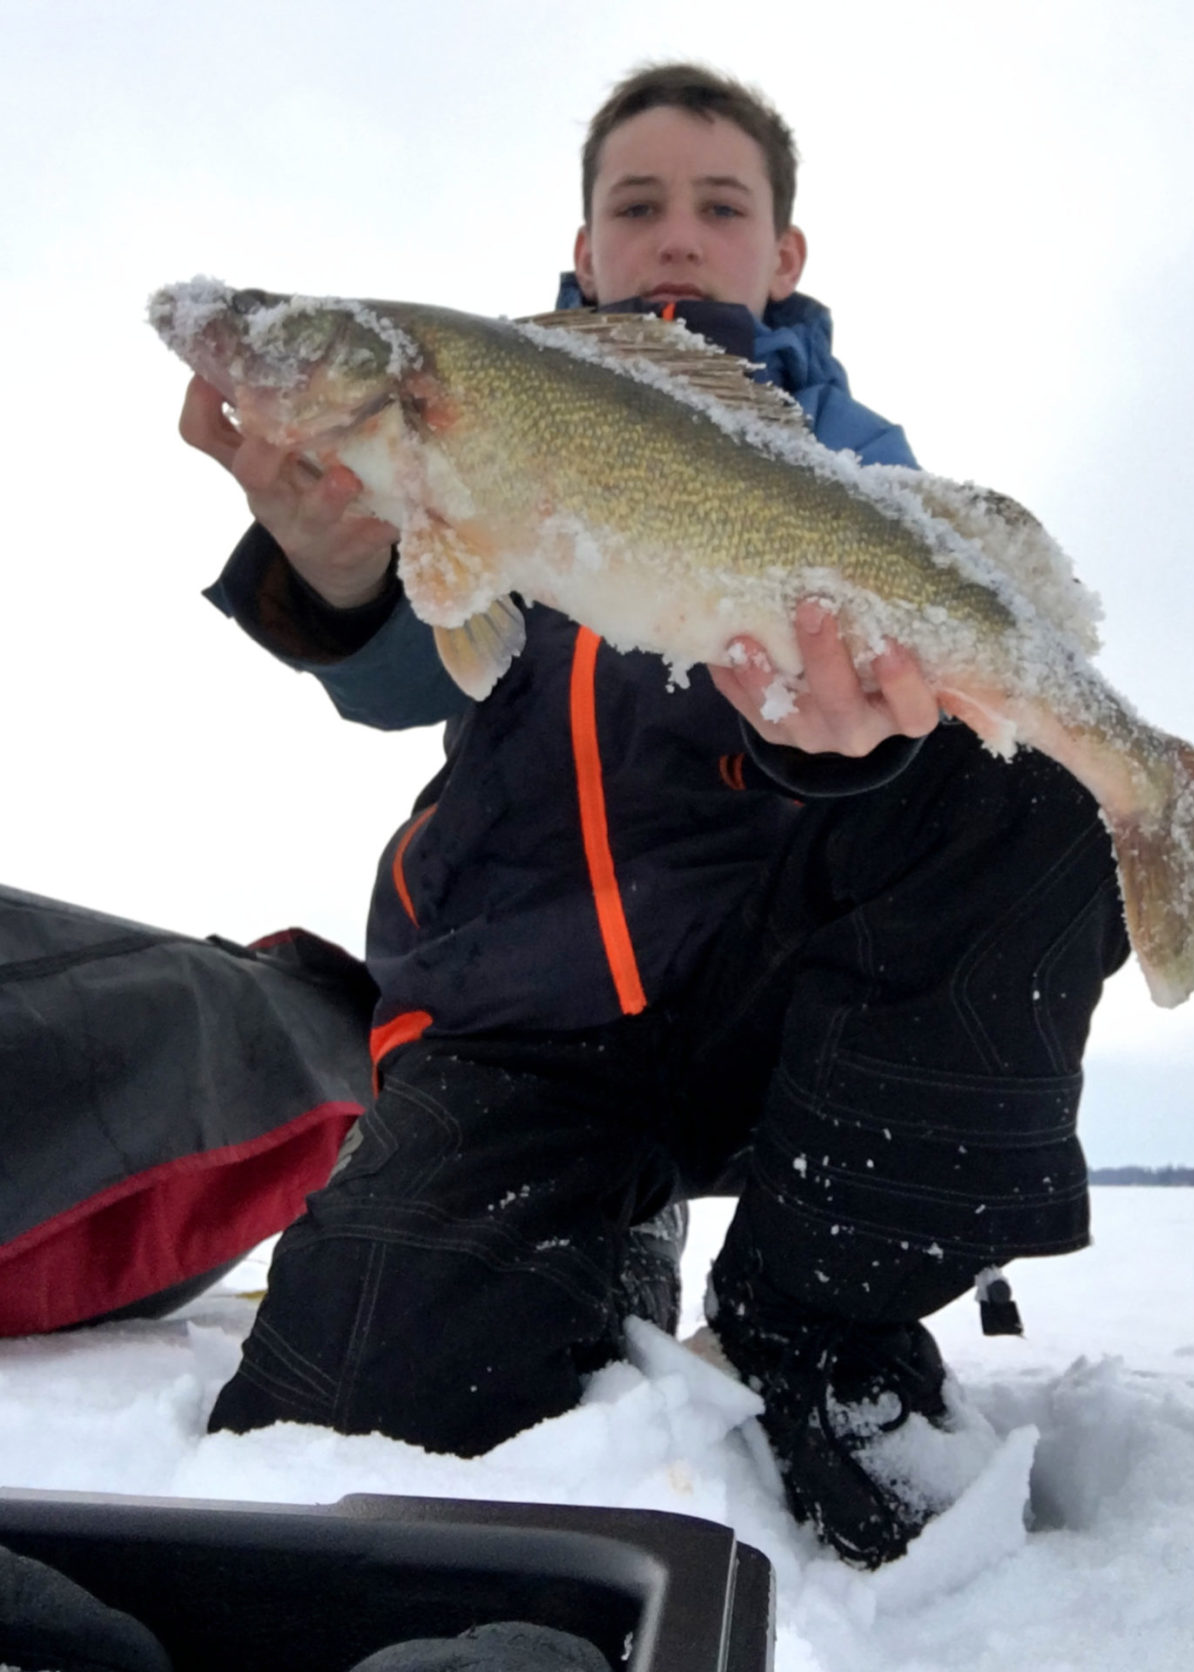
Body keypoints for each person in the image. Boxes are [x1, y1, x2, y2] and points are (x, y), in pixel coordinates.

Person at [179, 63, 1128, 1569]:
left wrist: (848, 749)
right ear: (585, 245)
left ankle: (816, 1320)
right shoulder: (481, 409)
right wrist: (337, 565)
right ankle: (598, 1243)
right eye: (638, 204)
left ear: (784, 252)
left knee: (1021, 776)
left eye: (719, 204)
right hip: (519, 1017)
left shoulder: (855, 471)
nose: (677, 231)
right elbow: (408, 675)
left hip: (779, 1012)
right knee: (355, 1406)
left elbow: (909, 776)